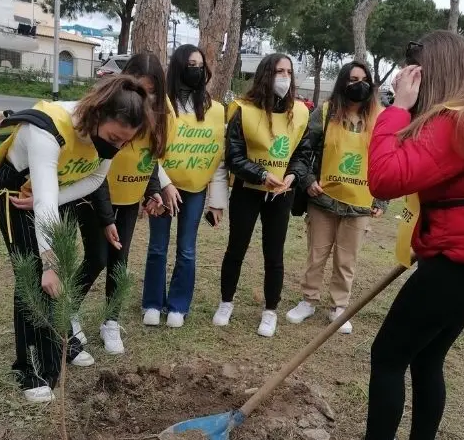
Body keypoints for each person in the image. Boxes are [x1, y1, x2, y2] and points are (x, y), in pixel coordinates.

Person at [364, 31, 464, 440]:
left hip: (457, 270)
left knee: (387, 356)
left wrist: (398, 108)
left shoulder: (457, 122)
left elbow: (384, 179)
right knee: (427, 357)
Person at [0, 75, 148, 402]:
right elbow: (42, 202)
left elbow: (93, 179)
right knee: (34, 277)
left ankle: (63, 342)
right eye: (114, 138)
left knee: (62, 270)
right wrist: (47, 263)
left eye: (124, 142)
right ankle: (31, 368)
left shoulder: (108, 137)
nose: (116, 147)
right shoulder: (48, 129)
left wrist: (59, 197)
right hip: (17, 196)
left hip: (56, 193)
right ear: (98, 114)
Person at [71, 53, 170, 354]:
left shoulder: (158, 116)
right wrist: (105, 218)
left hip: (128, 200)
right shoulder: (108, 109)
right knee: (98, 257)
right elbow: (96, 167)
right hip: (93, 192)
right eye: (140, 87)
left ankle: (110, 321)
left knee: (120, 261)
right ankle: (68, 312)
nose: (144, 96)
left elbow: (150, 158)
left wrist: (152, 190)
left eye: (152, 90)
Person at [285, 61, 388, 332]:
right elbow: (305, 149)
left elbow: (386, 159)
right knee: (316, 254)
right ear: (343, 82)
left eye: (364, 79)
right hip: (323, 199)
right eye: (353, 79)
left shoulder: (381, 118)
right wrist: (307, 181)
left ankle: (339, 307)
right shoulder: (326, 112)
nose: (359, 84)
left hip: (359, 204)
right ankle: (308, 300)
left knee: (347, 259)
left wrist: (382, 200)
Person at [217, 53, 312, 337]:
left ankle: (270, 310)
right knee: (236, 248)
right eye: (277, 71)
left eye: (288, 72)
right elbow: (233, 155)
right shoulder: (243, 110)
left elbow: (303, 153)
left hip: (281, 195)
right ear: (264, 75)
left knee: (274, 253)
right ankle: (225, 302)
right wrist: (260, 174)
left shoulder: (301, 112)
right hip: (248, 191)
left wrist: (293, 175)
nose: (284, 77)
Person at [142, 45, 229, 329]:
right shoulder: (161, 107)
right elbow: (150, 151)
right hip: (162, 188)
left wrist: (217, 202)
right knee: (157, 247)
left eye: (201, 64)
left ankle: (178, 305)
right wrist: (161, 185)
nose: (198, 69)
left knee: (187, 249)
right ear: (179, 67)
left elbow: (218, 158)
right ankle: (153, 302)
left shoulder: (216, 110)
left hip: (194, 190)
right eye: (191, 64)